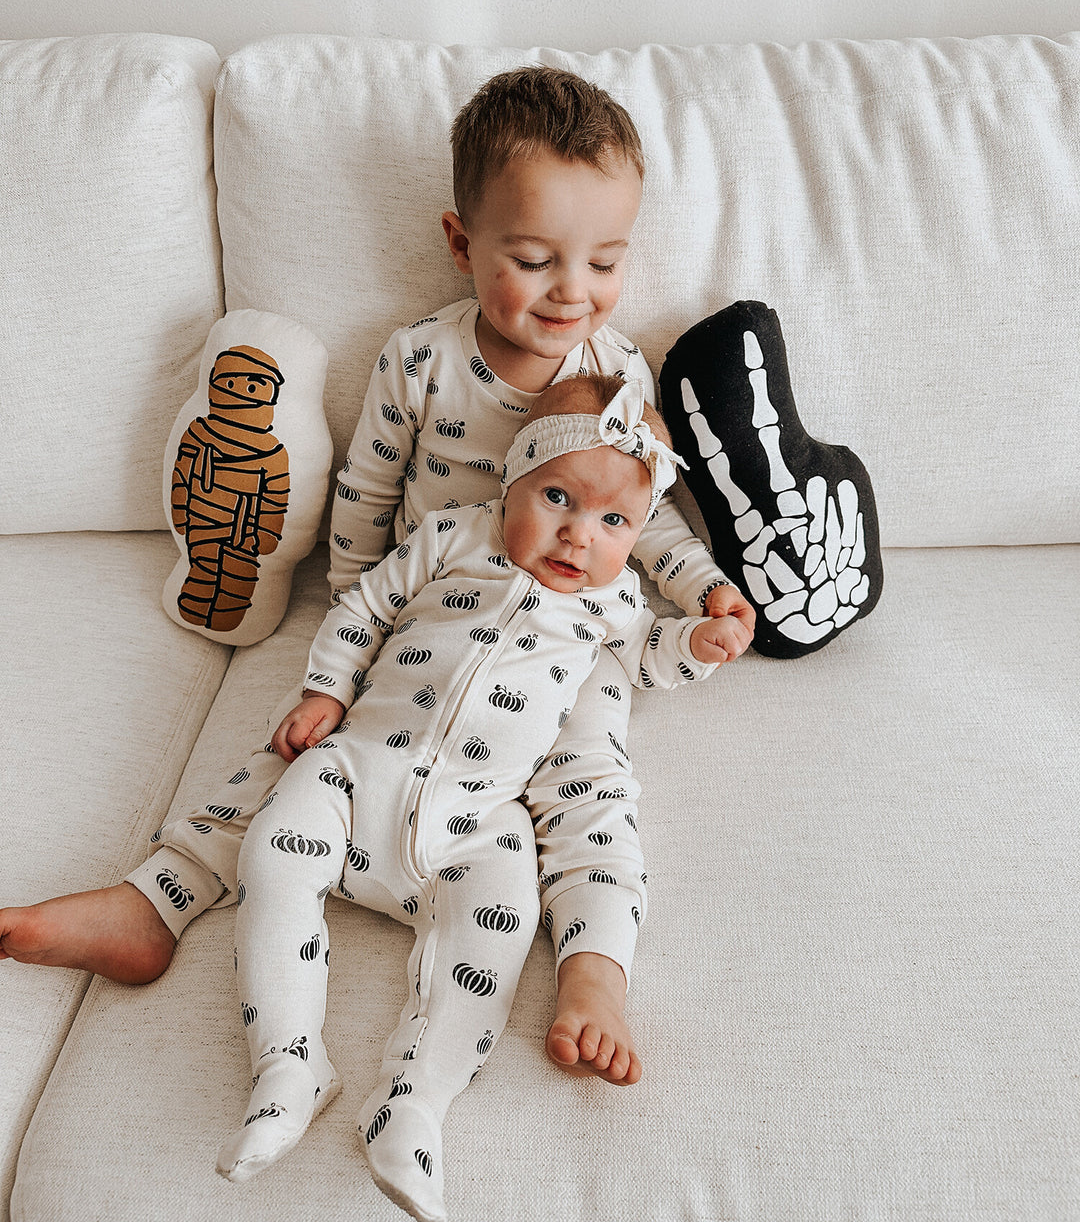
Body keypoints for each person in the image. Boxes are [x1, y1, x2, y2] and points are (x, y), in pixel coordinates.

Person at [0, 65, 755, 1086]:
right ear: (462, 243)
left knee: (592, 793)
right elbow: (363, 499)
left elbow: (648, 509)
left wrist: (703, 589)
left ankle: (595, 969)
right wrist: (347, 655)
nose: (572, 291)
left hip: (578, 641)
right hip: (425, 617)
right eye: (534, 259)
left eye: (605, 261)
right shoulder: (420, 363)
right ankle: (155, 899)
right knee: (288, 760)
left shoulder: (622, 380)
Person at [217, 375, 740, 1222]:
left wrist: (700, 644)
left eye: (614, 522)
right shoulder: (451, 537)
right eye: (559, 498)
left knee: (497, 933)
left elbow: (653, 658)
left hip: (477, 819)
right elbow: (362, 606)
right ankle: (287, 1061)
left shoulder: (615, 604)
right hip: (357, 770)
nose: (579, 536)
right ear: (515, 478)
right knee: (271, 855)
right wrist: (323, 691)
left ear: (639, 533)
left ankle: (414, 1105)